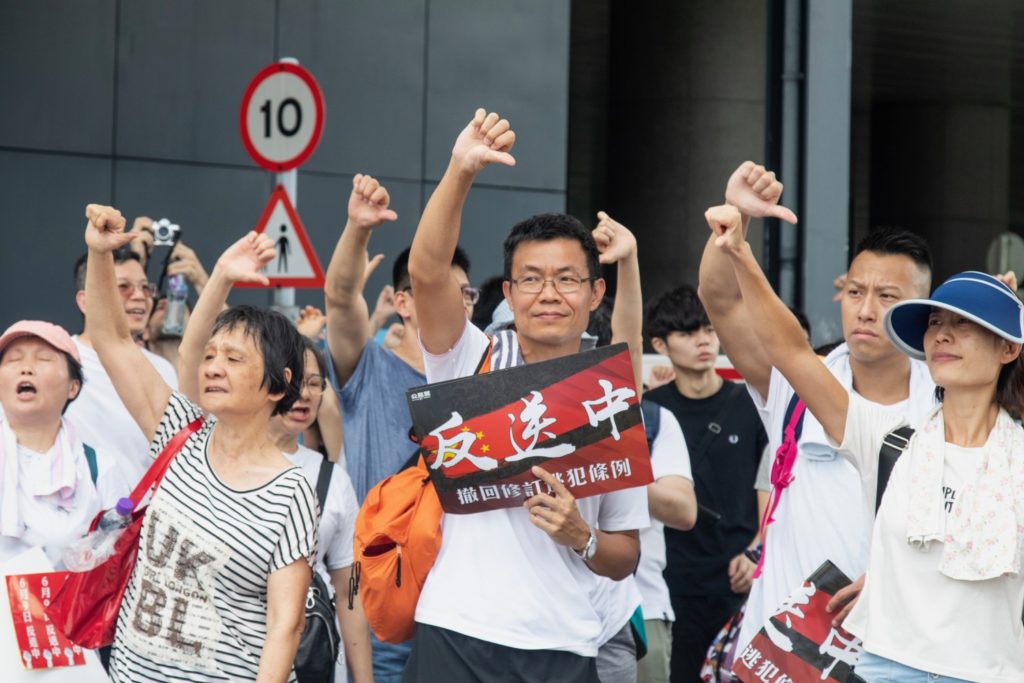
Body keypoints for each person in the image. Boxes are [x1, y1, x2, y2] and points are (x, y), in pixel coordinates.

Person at [707, 202, 1024, 681]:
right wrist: (741, 253)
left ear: (1007, 347)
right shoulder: (888, 438)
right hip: (883, 667)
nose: (943, 336)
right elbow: (791, 351)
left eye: (966, 325)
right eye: (935, 323)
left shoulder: (1016, 458)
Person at [402, 108, 648, 682]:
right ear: (508, 294)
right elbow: (427, 271)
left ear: (595, 292)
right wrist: (461, 170)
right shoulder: (470, 360)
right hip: (456, 634)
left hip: (565, 648)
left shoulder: (607, 397)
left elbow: (626, 554)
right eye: (531, 279)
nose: (549, 293)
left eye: (567, 278)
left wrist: (580, 535)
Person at [698, 163, 937, 655]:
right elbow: (720, 300)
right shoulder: (796, 383)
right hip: (780, 659)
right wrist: (737, 218)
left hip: (894, 654)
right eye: (855, 292)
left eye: (887, 296)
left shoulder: (949, 404)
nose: (866, 310)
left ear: (921, 308)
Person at [82, 205, 318, 683]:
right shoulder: (179, 432)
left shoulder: (291, 490)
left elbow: (285, 626)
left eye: (234, 358)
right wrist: (100, 253)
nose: (212, 367)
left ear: (278, 385)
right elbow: (111, 339)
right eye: (211, 355)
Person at [176, 254, 372, 683]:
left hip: (312, 661)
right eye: (296, 382)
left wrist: (364, 676)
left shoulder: (330, 478)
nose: (304, 395)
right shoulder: (211, 446)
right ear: (274, 385)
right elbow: (193, 354)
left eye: (317, 383)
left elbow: (351, 586)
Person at [323, 173, 475, 680]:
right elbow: (342, 299)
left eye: (465, 294)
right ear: (403, 302)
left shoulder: (487, 385)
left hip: (463, 606)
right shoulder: (369, 369)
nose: (456, 303)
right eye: (436, 290)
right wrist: (357, 227)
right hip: (382, 597)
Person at [643, 284, 767, 682]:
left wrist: (755, 552)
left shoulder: (751, 405)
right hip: (672, 581)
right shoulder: (652, 412)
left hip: (739, 578)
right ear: (660, 344)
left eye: (709, 331)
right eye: (688, 333)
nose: (704, 341)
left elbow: (777, 487)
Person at [0, 320, 128, 567]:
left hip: (70, 605)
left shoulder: (98, 468)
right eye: (13, 360)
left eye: (43, 360)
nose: (26, 369)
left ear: (73, 386)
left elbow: (119, 560)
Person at [66, 247, 178, 485]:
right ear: (85, 301)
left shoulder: (163, 369)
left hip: (147, 518)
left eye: (145, 287)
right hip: (79, 518)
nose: (139, 296)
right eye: (123, 287)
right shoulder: (61, 360)